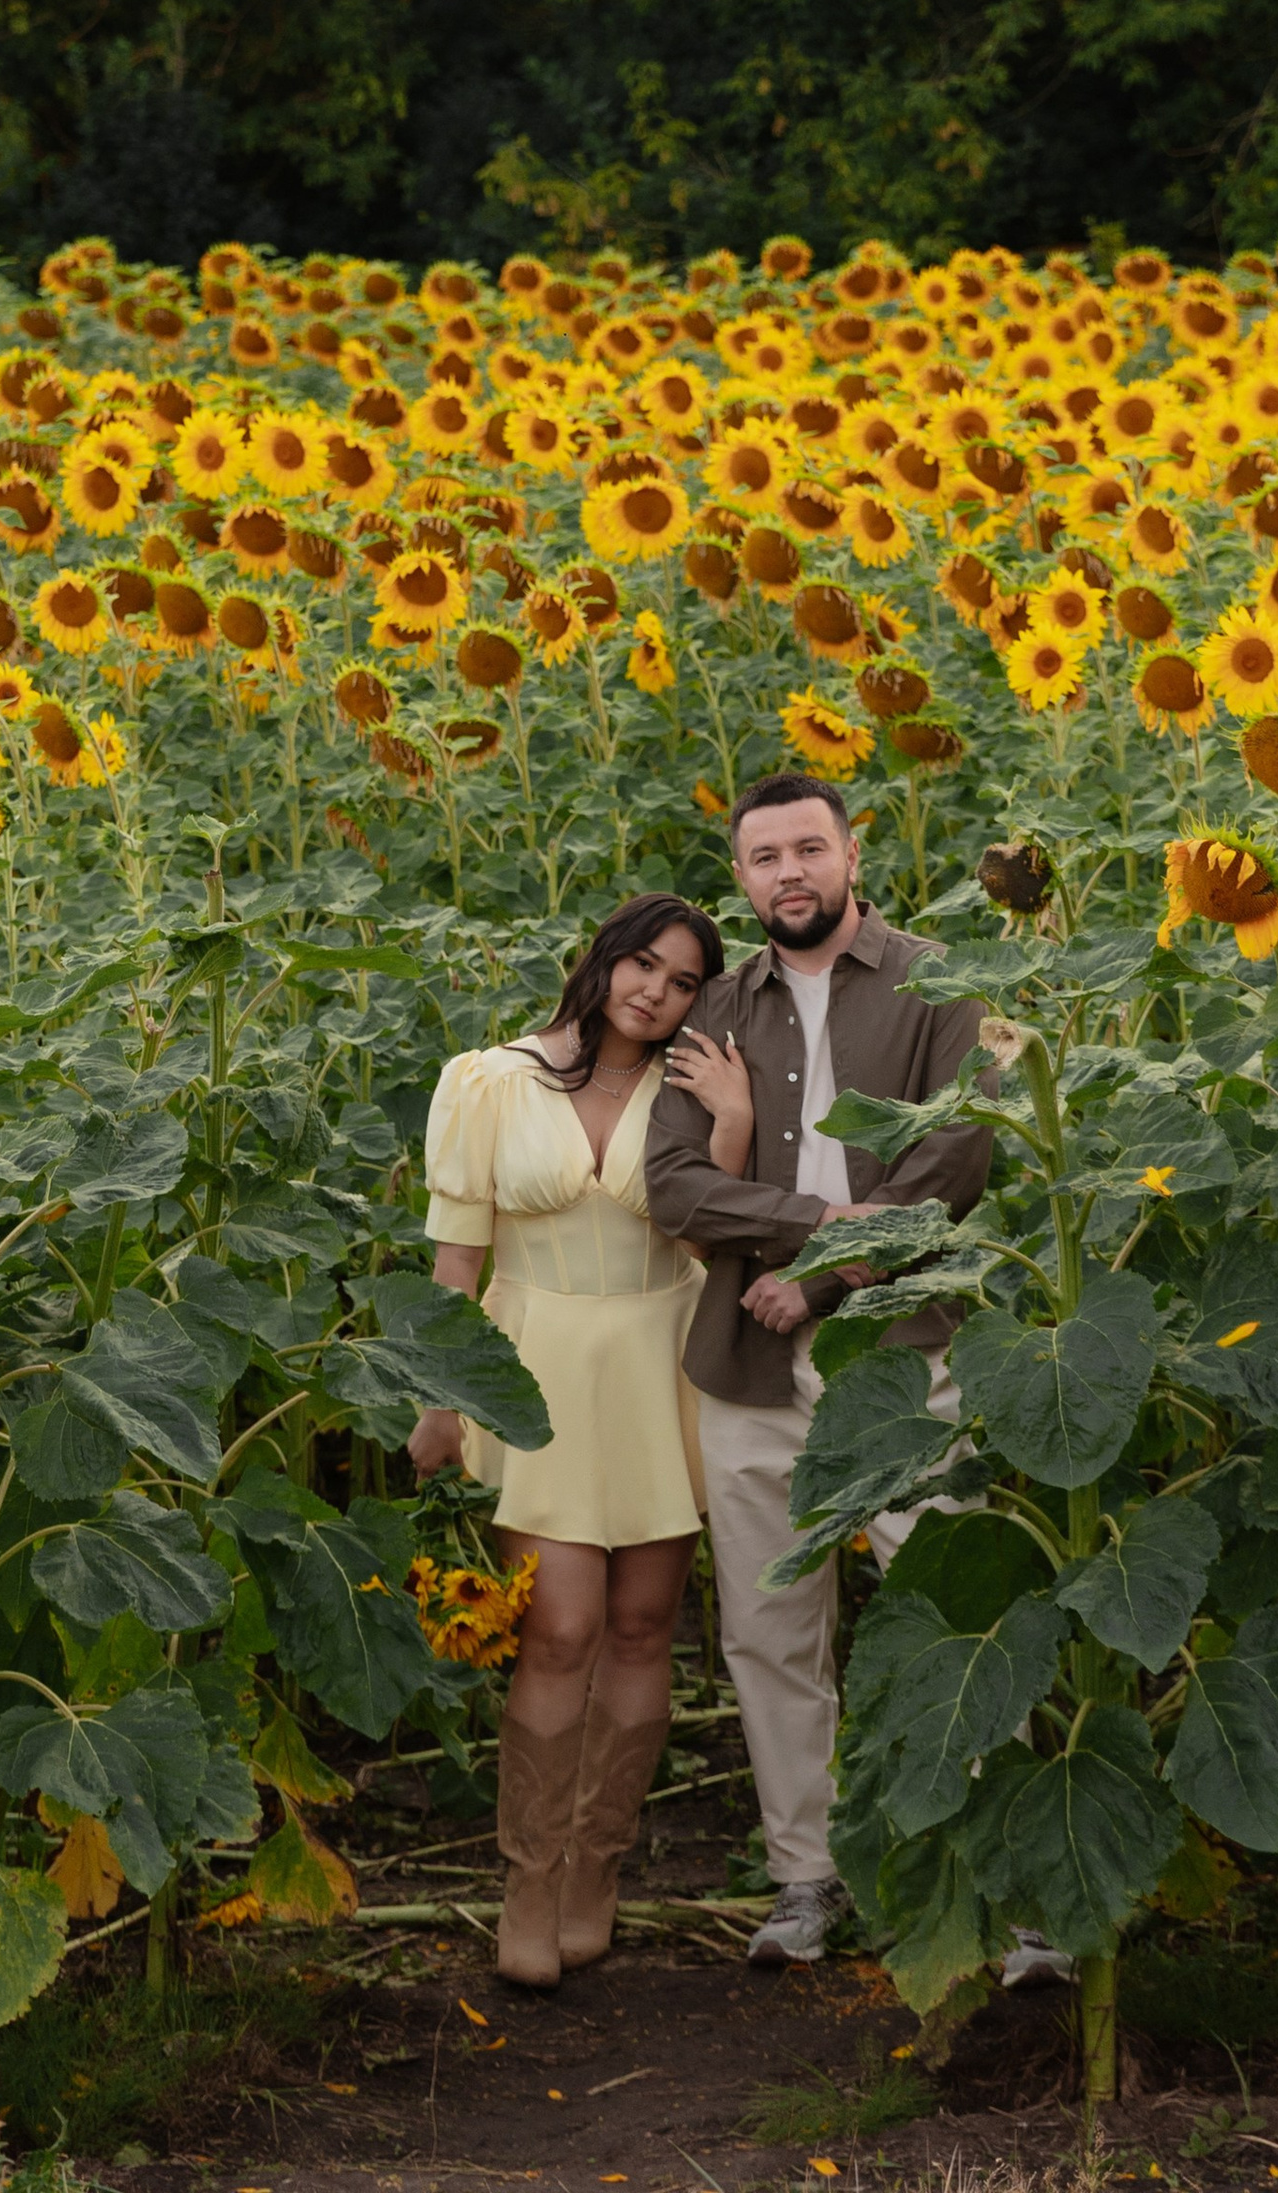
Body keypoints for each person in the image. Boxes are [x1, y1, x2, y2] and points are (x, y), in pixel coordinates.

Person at [645, 772, 993, 1967]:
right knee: (767, 1627)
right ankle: (807, 1874)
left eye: (807, 849)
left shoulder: (937, 983)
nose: (788, 873)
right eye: (764, 857)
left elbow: (953, 1161)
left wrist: (823, 1275)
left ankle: (999, 1878)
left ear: (851, 854)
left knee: (950, 1611)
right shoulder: (715, 1008)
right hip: (747, 1356)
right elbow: (675, 1184)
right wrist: (821, 1225)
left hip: (902, 1349)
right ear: (740, 877)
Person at [411, 891, 740, 1991]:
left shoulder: (693, 1087)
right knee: (560, 1629)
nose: (656, 992)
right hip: (533, 1361)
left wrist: (733, 1124)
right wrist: (440, 1395)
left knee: (643, 1628)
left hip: (660, 1361)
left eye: (683, 981)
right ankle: (530, 1879)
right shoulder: (490, 1080)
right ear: (602, 959)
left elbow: (720, 1230)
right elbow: (457, 1261)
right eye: (643, 964)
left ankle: (598, 1867)